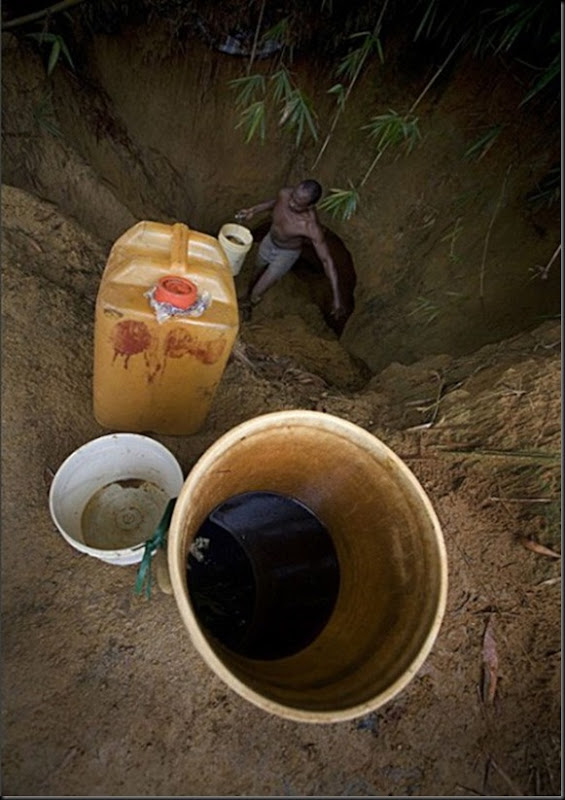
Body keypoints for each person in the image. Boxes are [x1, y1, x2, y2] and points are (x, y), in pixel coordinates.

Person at [236, 180, 346, 320]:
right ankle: (246, 296)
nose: (291, 203)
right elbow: (274, 203)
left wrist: (337, 297)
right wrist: (253, 210)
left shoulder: (309, 226)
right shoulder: (285, 194)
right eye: (293, 196)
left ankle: (250, 304)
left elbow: (326, 260)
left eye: (298, 203)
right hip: (270, 240)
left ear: (310, 206)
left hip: (286, 254)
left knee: (259, 289)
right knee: (256, 270)